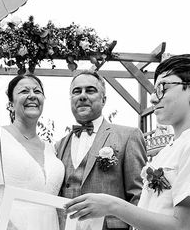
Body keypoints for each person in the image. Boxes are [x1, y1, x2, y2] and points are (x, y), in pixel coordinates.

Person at [64, 54, 190, 230]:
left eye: (162, 88)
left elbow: (184, 226)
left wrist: (112, 206)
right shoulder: (171, 150)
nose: (153, 98)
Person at [0, 74, 65, 230]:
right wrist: (1, 220)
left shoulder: (51, 149)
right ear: (10, 105)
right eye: (24, 91)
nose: (32, 95)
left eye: (37, 91)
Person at [56, 70, 147, 230]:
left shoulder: (128, 136)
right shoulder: (60, 145)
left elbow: (139, 195)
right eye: (77, 91)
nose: (82, 96)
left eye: (90, 90)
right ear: (71, 99)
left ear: (103, 99)